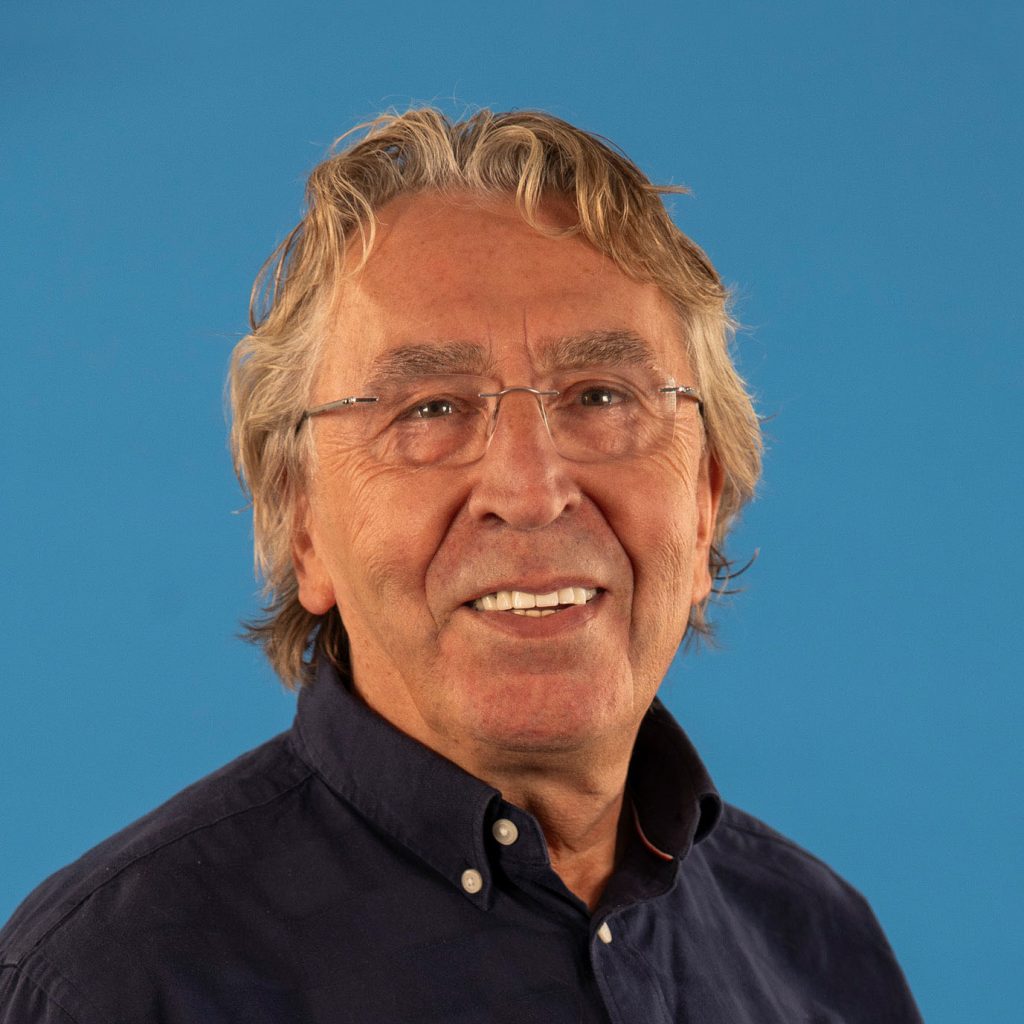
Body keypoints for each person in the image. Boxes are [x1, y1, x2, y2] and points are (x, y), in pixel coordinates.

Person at [0, 108, 922, 1023]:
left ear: (704, 499)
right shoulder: (110, 987)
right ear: (303, 524)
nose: (530, 491)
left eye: (602, 396)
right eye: (431, 409)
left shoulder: (819, 952)